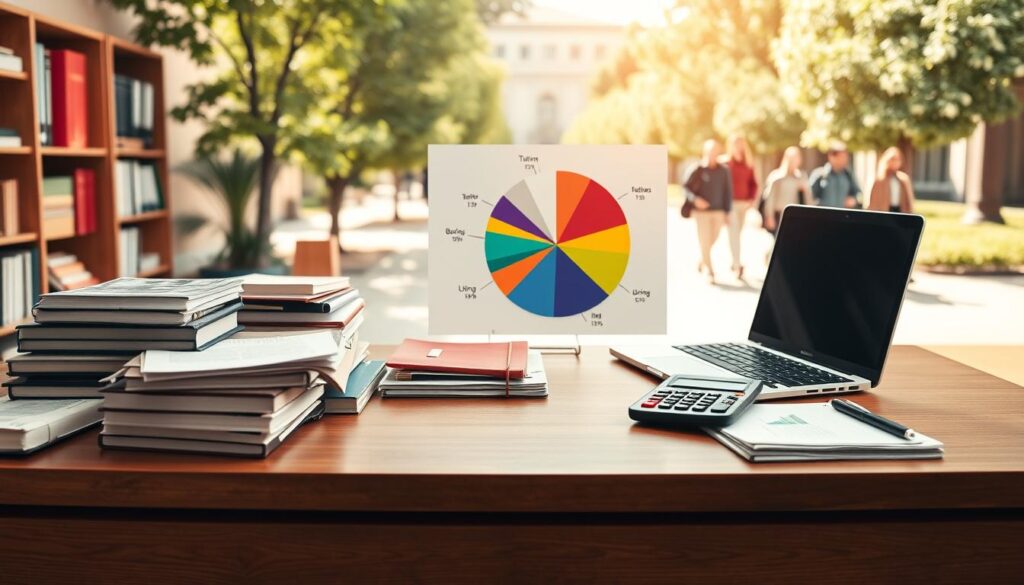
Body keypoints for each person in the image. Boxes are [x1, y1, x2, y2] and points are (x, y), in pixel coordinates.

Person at [684, 139, 733, 284]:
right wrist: (695, 199)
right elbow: (686, 188)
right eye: (710, 151)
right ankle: (710, 272)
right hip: (702, 213)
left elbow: (727, 192)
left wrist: (727, 212)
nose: (713, 154)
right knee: (704, 241)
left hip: (718, 212)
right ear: (705, 152)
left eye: (715, 151)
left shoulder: (724, 171)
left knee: (713, 239)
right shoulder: (697, 169)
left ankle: (703, 260)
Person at [724, 134, 758, 279]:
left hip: (743, 204)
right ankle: (737, 264)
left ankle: (732, 262)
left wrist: (751, 198)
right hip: (730, 204)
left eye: (741, 143)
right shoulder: (725, 163)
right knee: (734, 233)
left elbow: (753, 183)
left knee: (737, 234)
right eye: (736, 143)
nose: (738, 146)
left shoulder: (748, 164)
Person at [760, 146, 810, 235]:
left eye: (796, 158)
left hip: (796, 215)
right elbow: (770, 197)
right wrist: (769, 216)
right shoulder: (776, 177)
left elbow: (809, 199)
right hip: (779, 215)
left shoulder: (801, 177)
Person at [809, 141, 860, 208]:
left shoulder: (848, 176)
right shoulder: (819, 175)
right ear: (831, 157)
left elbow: (859, 195)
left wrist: (854, 200)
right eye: (841, 157)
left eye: (845, 157)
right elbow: (809, 198)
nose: (844, 160)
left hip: (842, 216)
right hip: (823, 216)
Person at [868, 147, 915, 213]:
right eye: (892, 160)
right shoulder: (879, 180)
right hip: (884, 211)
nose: (895, 162)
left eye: (897, 160)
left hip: (900, 210)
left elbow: (909, 200)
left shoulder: (903, 179)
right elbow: (873, 202)